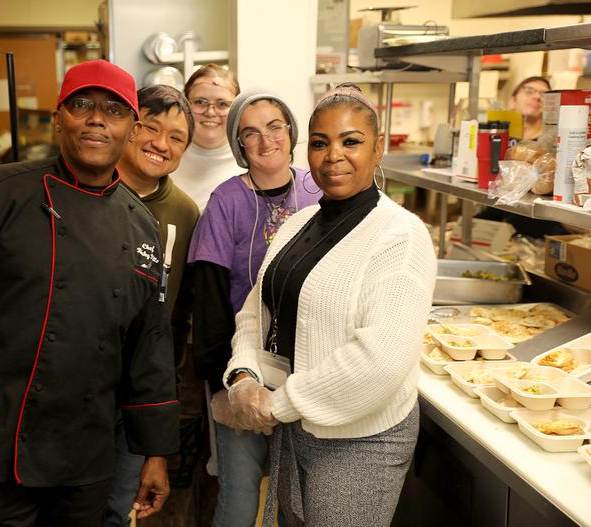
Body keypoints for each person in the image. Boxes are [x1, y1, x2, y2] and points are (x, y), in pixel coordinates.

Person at [0, 60, 180, 527]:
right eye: (82, 106)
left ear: (132, 129)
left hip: (88, 460)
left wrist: (155, 452)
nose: (97, 119)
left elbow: (148, 348)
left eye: (113, 111)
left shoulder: (142, 226)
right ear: (59, 118)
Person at [223, 84, 437, 527]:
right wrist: (243, 376)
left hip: (359, 441)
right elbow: (255, 310)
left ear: (378, 149)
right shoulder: (299, 222)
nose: (333, 154)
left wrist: (277, 405)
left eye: (351, 141)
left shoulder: (400, 236)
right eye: (320, 143)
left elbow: (379, 361)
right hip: (295, 424)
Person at [188, 91, 321, 527]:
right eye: (251, 133)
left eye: (275, 127)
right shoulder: (224, 202)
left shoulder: (317, 190)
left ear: (291, 132)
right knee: (241, 497)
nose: (266, 141)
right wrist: (221, 386)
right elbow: (207, 300)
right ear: (238, 145)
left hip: (309, 371)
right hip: (240, 371)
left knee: (298, 499)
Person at [106, 84, 200, 527]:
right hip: (75, 392)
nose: (160, 144)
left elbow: (178, 317)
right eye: (149, 127)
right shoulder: (84, 192)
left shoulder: (185, 212)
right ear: (127, 125)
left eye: (176, 137)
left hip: (141, 392)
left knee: (119, 508)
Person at [171, 64, 242, 210]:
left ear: (236, 109)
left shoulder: (249, 162)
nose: (210, 112)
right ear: (184, 104)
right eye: (200, 102)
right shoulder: (165, 153)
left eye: (222, 104)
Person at [508, 76, 551, 141]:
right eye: (529, 91)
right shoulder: (499, 137)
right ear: (513, 101)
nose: (537, 96)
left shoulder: (552, 142)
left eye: (544, 94)